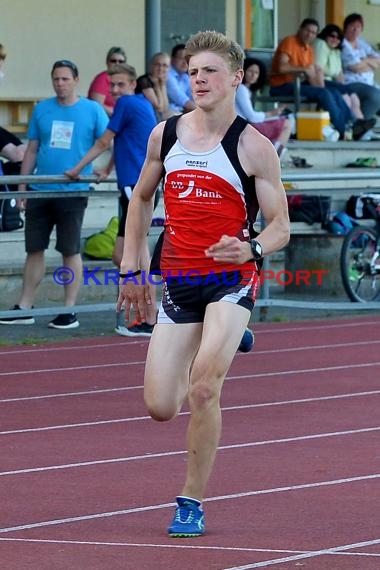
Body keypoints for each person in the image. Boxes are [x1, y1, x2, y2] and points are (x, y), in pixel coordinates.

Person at [116, 30, 290, 537]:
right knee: (160, 407)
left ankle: (190, 501)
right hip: (180, 279)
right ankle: (229, 337)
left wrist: (253, 247)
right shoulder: (164, 135)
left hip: (231, 279)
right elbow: (141, 200)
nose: (199, 79)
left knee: (205, 388)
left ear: (236, 78)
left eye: (210, 71)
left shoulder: (254, 147)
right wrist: (132, 266)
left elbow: (280, 225)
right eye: (192, 72)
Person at [0, 60, 108, 329]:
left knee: (69, 250)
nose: (60, 84)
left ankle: (68, 310)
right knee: (33, 249)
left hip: (73, 191)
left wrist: (106, 169)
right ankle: (25, 307)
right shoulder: (42, 109)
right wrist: (22, 186)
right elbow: (32, 149)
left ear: (76, 80)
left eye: (65, 79)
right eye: (56, 79)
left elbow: (110, 141)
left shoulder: (92, 110)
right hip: (40, 188)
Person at [65, 63, 158, 337]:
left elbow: (105, 141)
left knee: (140, 252)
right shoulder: (138, 105)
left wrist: (77, 168)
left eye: (120, 85)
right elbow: (127, 141)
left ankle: (150, 318)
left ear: (132, 85)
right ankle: (144, 311)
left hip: (137, 188)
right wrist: (106, 170)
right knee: (122, 254)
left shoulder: (128, 103)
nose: (115, 90)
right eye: (111, 85)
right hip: (133, 186)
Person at [269, 18, 370, 140]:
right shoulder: (290, 42)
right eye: (307, 30)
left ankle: (352, 124)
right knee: (324, 93)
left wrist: (319, 81)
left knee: (334, 91)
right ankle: (344, 130)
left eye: (313, 33)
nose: (309, 34)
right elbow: (281, 67)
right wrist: (303, 69)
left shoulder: (309, 50)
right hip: (281, 86)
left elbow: (311, 74)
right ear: (300, 29)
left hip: (299, 84)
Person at [314, 24, 375, 140]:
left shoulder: (336, 51)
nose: (335, 40)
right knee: (345, 97)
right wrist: (323, 87)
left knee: (353, 97)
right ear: (325, 36)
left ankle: (361, 126)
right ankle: (351, 127)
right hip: (320, 82)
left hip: (332, 83)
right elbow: (318, 69)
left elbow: (339, 74)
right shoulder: (321, 45)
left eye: (338, 38)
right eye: (332, 36)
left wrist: (345, 87)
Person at [235, 57, 292, 160]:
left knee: (284, 122)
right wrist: (271, 114)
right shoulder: (241, 88)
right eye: (250, 71)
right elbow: (252, 116)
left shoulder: (244, 89)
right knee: (286, 124)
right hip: (242, 128)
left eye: (256, 73)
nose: (253, 75)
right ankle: (274, 154)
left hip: (244, 125)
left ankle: (275, 152)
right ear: (243, 71)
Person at [341, 13, 380, 132]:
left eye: (358, 27)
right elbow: (355, 67)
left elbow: (378, 60)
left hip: (368, 82)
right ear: (346, 27)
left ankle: (360, 126)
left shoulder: (361, 42)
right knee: (375, 96)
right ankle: (359, 127)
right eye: (352, 26)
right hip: (351, 83)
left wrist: (365, 61)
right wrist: (369, 63)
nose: (355, 29)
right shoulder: (343, 44)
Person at [88, 47, 127, 116]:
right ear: (107, 62)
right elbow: (97, 105)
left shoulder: (125, 79)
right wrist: (118, 114)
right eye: (113, 61)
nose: (117, 64)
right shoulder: (102, 79)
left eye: (121, 61)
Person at [136, 52, 173, 121]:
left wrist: (161, 85)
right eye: (157, 64)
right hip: (144, 118)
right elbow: (159, 108)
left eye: (165, 65)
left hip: (155, 117)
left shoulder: (160, 81)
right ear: (151, 66)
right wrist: (157, 86)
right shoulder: (144, 81)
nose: (161, 68)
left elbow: (165, 107)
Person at [167, 43, 196, 113]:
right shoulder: (168, 75)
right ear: (172, 59)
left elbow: (194, 97)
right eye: (181, 58)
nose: (184, 62)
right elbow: (182, 99)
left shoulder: (185, 77)